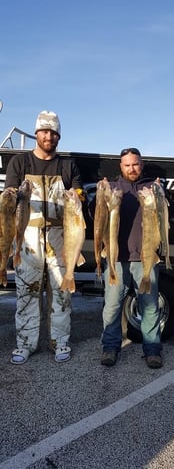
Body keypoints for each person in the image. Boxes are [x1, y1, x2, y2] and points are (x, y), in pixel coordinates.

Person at [5, 110, 84, 365]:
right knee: (27, 292)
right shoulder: (19, 163)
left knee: (61, 293)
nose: (48, 136)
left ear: (58, 136)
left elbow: (80, 193)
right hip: (28, 237)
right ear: (37, 133)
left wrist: (78, 195)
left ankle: (59, 341)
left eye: (53, 132)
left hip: (62, 234)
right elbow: (9, 199)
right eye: (44, 131)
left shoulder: (67, 166)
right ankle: (25, 343)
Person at [95, 148, 169, 369]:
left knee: (150, 307)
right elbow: (95, 216)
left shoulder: (151, 188)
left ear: (141, 164)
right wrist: (99, 197)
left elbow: (168, 213)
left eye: (135, 164)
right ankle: (110, 347)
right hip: (117, 259)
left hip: (146, 258)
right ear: (121, 166)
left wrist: (161, 195)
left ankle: (153, 350)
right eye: (127, 165)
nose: (132, 168)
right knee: (112, 306)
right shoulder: (114, 189)